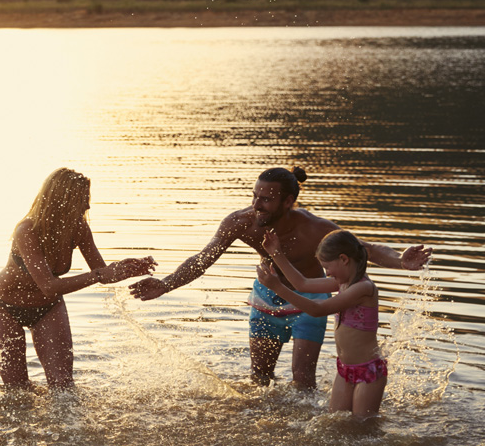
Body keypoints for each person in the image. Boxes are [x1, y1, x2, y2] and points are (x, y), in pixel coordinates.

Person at [130, 167, 430, 389]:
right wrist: (166, 284)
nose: (257, 205)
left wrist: (400, 262)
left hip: (310, 298)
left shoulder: (314, 228)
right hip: (266, 298)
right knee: (259, 380)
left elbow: (366, 249)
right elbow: (203, 259)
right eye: (254, 197)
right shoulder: (241, 223)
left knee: (302, 382)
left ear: (288, 202)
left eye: (266, 200)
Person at [0, 168, 156, 390]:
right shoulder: (26, 230)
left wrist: (126, 268)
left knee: (63, 387)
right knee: (17, 390)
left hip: (48, 308)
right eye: (83, 199)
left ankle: (64, 425)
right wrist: (99, 275)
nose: (88, 206)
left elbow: (102, 274)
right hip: (5, 308)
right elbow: (49, 286)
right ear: (62, 200)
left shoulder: (78, 228)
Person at [257, 229, 387, 417]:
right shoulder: (342, 283)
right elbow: (302, 284)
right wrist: (275, 253)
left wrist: (277, 287)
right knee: (335, 423)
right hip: (345, 369)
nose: (326, 273)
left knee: (362, 428)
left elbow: (318, 309)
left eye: (327, 267)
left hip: (368, 373)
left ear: (344, 259)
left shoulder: (364, 288)